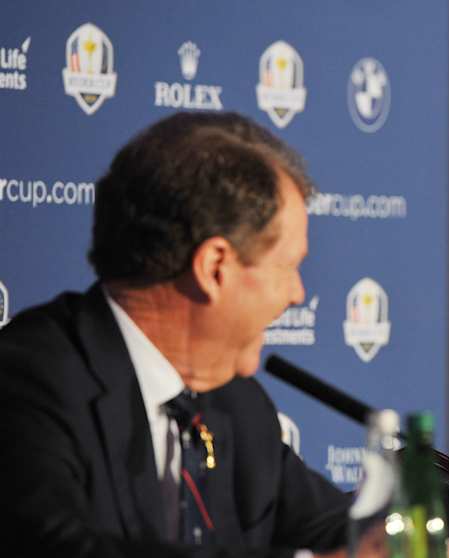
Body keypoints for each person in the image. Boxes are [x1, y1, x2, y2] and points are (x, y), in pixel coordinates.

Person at [0, 112, 351, 557]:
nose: (298, 294)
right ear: (214, 267)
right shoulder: (27, 381)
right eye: (289, 267)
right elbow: (56, 548)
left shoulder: (235, 403)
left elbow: (334, 527)